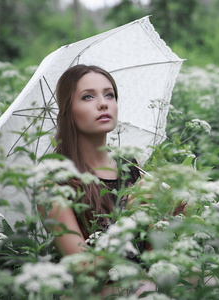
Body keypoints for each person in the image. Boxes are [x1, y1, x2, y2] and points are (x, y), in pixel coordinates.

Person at [38, 64, 155, 296]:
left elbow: (148, 255)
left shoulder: (130, 166)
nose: (103, 103)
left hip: (142, 283)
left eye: (109, 94)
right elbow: (85, 271)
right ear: (67, 111)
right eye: (88, 96)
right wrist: (128, 217)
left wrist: (165, 214)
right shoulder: (55, 184)